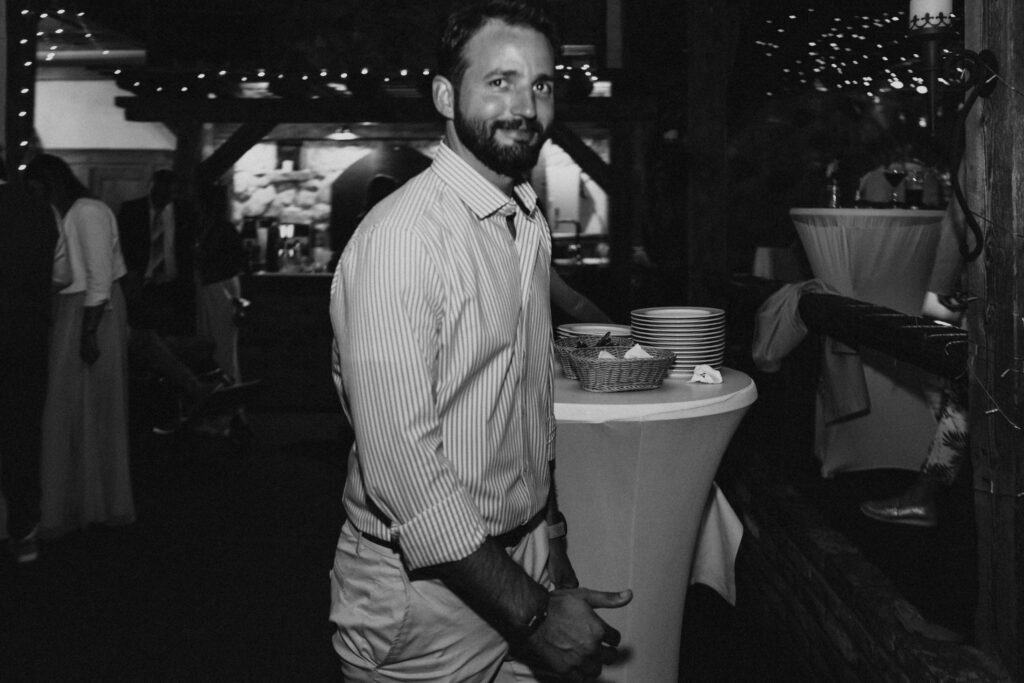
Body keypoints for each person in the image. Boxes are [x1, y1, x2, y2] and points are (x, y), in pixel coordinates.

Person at [328, 2, 632, 681]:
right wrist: (533, 615)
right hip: (426, 601)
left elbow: (524, 405)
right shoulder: (403, 240)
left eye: (541, 84)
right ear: (445, 96)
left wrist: (551, 540)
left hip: (521, 562)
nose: (526, 106)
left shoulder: (524, 220)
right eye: (500, 81)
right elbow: (404, 474)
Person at [25, 154, 135, 537]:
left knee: (90, 404)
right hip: (75, 308)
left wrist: (88, 333)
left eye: (36, 187)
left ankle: (93, 500)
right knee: (70, 406)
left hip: (92, 311)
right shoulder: (65, 212)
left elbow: (100, 279)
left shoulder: (88, 210)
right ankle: (75, 497)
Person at [0, 156, 66, 563]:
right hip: (27, 334)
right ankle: (24, 532)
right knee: (22, 430)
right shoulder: (41, 210)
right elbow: (63, 274)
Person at [118, 169, 196, 336]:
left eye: (167, 193)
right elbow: (122, 247)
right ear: (151, 188)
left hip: (175, 286)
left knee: (173, 335)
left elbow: (188, 247)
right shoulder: (131, 210)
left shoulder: (185, 211)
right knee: (141, 334)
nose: (162, 198)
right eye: (158, 192)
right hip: (141, 285)